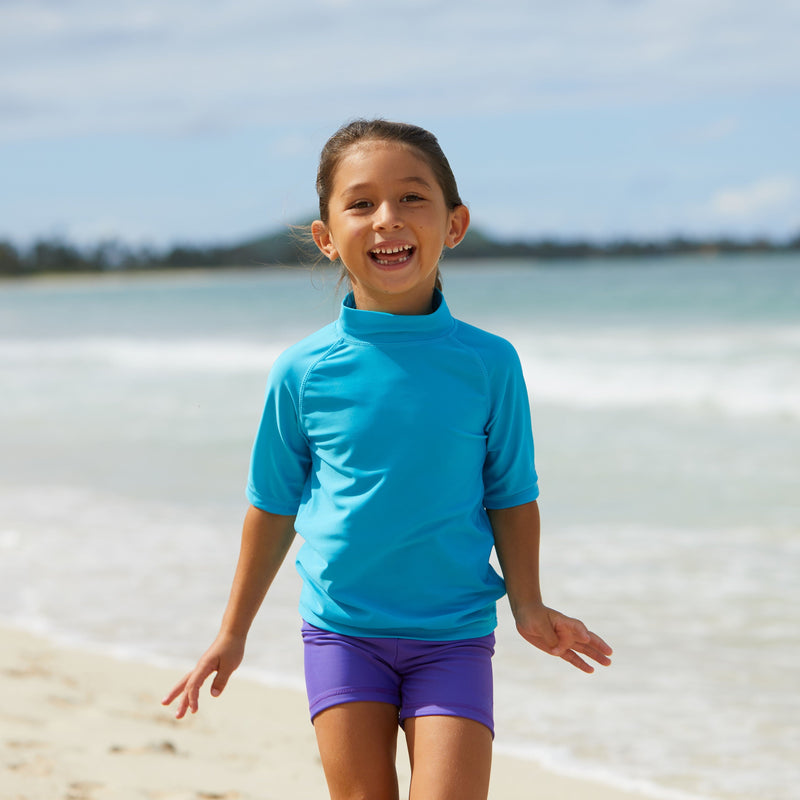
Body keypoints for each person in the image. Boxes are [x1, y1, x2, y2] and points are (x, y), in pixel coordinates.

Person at [162, 119, 612, 800]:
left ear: (454, 224)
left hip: (453, 634)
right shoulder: (303, 372)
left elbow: (511, 493)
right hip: (343, 632)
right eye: (361, 203)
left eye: (411, 198)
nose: (387, 220)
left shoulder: (489, 363)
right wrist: (232, 633)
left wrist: (528, 604)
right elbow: (273, 505)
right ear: (325, 236)